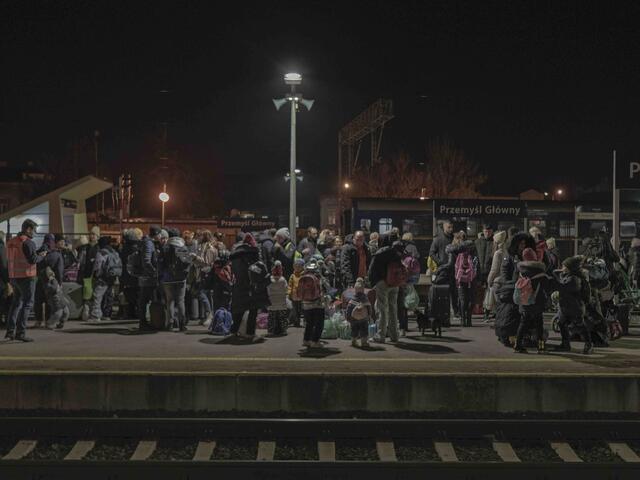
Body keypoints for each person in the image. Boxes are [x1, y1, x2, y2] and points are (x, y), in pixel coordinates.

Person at [5, 219, 45, 342]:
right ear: (28, 229)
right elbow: (32, 260)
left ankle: (10, 331)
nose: (34, 233)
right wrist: (41, 256)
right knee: (27, 304)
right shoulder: (28, 242)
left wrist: (36, 254)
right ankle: (21, 332)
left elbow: (19, 257)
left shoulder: (11, 242)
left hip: (14, 277)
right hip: (27, 277)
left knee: (16, 304)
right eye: (33, 230)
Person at [494, 232, 535, 347]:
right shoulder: (510, 257)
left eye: (524, 243)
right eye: (521, 243)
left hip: (523, 290)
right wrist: (510, 284)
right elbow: (505, 273)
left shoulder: (527, 256)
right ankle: (506, 334)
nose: (523, 245)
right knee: (509, 313)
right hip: (512, 290)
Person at [553, 255, 593, 354]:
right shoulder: (568, 276)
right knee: (561, 324)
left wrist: (554, 276)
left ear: (570, 268)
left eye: (564, 266)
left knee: (580, 326)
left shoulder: (574, 279)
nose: (562, 268)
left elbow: (563, 288)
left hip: (574, 307)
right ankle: (565, 344)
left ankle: (589, 344)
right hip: (566, 307)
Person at [513, 247, 549, 353]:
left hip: (524, 302)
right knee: (539, 326)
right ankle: (541, 346)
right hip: (537, 303)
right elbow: (546, 287)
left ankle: (517, 345)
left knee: (523, 323)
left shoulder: (520, 271)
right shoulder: (540, 272)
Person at [369, 241, 404, 343]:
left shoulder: (381, 253)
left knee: (382, 309)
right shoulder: (397, 254)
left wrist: (373, 282)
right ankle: (394, 335)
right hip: (394, 283)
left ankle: (381, 335)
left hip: (382, 283)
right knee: (393, 308)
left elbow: (372, 268)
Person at [229, 233, 261, 339]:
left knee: (239, 308)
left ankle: (234, 330)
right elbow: (258, 268)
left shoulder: (235, 253)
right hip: (251, 284)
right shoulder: (253, 252)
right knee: (253, 309)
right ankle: (250, 332)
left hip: (239, 283)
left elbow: (233, 268)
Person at [159, 228, 191, 332]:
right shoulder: (183, 247)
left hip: (167, 279)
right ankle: (182, 324)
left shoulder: (165, 248)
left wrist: (162, 275)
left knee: (170, 301)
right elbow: (187, 263)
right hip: (181, 279)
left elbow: (160, 264)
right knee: (181, 301)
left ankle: (170, 324)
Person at [447, 232, 478, 327]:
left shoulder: (469, 247)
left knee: (468, 300)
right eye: (460, 238)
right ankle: (465, 319)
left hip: (468, 277)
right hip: (462, 278)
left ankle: (467, 318)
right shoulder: (455, 249)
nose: (461, 240)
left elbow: (477, 261)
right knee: (465, 300)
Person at [88, 236, 121, 322]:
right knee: (109, 295)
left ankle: (95, 315)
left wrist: (96, 275)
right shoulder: (114, 252)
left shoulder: (101, 252)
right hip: (112, 276)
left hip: (103, 277)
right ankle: (107, 315)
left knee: (97, 296)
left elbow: (98, 266)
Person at [190, 230, 218, 325]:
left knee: (200, 293)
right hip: (203, 274)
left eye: (200, 236)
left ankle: (209, 315)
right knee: (206, 295)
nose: (198, 238)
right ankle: (207, 316)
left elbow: (206, 263)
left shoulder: (209, 248)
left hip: (206, 274)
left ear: (205, 237)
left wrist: (195, 258)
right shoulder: (204, 246)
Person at [137, 226, 161, 331]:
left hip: (146, 276)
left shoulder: (147, 242)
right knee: (145, 300)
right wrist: (154, 272)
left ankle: (146, 321)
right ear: (156, 234)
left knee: (144, 300)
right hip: (148, 277)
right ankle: (144, 322)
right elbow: (146, 261)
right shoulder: (148, 243)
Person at [300, 260, 326, 348]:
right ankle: (315, 341)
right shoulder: (318, 277)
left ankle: (306, 340)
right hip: (317, 304)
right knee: (319, 323)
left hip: (306, 304)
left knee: (309, 323)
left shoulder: (303, 276)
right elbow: (326, 287)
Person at [119, 228, 142, 319]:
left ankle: (129, 313)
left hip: (126, 275)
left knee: (128, 295)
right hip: (135, 275)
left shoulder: (123, 247)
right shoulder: (137, 247)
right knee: (137, 294)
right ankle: (137, 313)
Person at [486, 230, 507, 320]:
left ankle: (500, 320)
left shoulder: (497, 253)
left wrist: (489, 280)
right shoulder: (505, 251)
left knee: (497, 303)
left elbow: (494, 269)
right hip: (504, 280)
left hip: (497, 281)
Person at [346, 277, 372, 348]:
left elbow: (349, 309)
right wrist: (369, 315)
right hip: (364, 318)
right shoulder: (365, 299)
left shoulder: (352, 299)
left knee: (354, 329)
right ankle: (364, 342)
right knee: (364, 329)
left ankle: (354, 341)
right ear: (363, 289)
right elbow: (369, 307)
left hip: (354, 318)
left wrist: (348, 317)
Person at [475, 224, 494, 315]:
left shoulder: (494, 242)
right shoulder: (477, 242)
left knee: (489, 291)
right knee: (479, 291)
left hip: (489, 270)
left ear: (492, 232)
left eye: (489, 231)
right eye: (486, 231)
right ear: (483, 231)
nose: (487, 233)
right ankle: (479, 308)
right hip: (479, 270)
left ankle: (487, 310)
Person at [266, 260, 289, 336]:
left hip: (271, 302)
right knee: (282, 318)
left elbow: (267, 289)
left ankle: (270, 331)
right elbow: (286, 289)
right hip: (281, 302)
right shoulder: (283, 279)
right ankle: (283, 331)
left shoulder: (269, 279)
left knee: (271, 318)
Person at [287, 258, 305, 327]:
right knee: (295, 310)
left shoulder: (303, 275)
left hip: (302, 296)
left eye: (299, 266)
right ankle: (296, 322)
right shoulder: (292, 275)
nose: (297, 268)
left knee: (302, 310)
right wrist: (289, 292)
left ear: (302, 267)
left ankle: (302, 322)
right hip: (294, 296)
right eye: (296, 266)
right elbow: (290, 285)